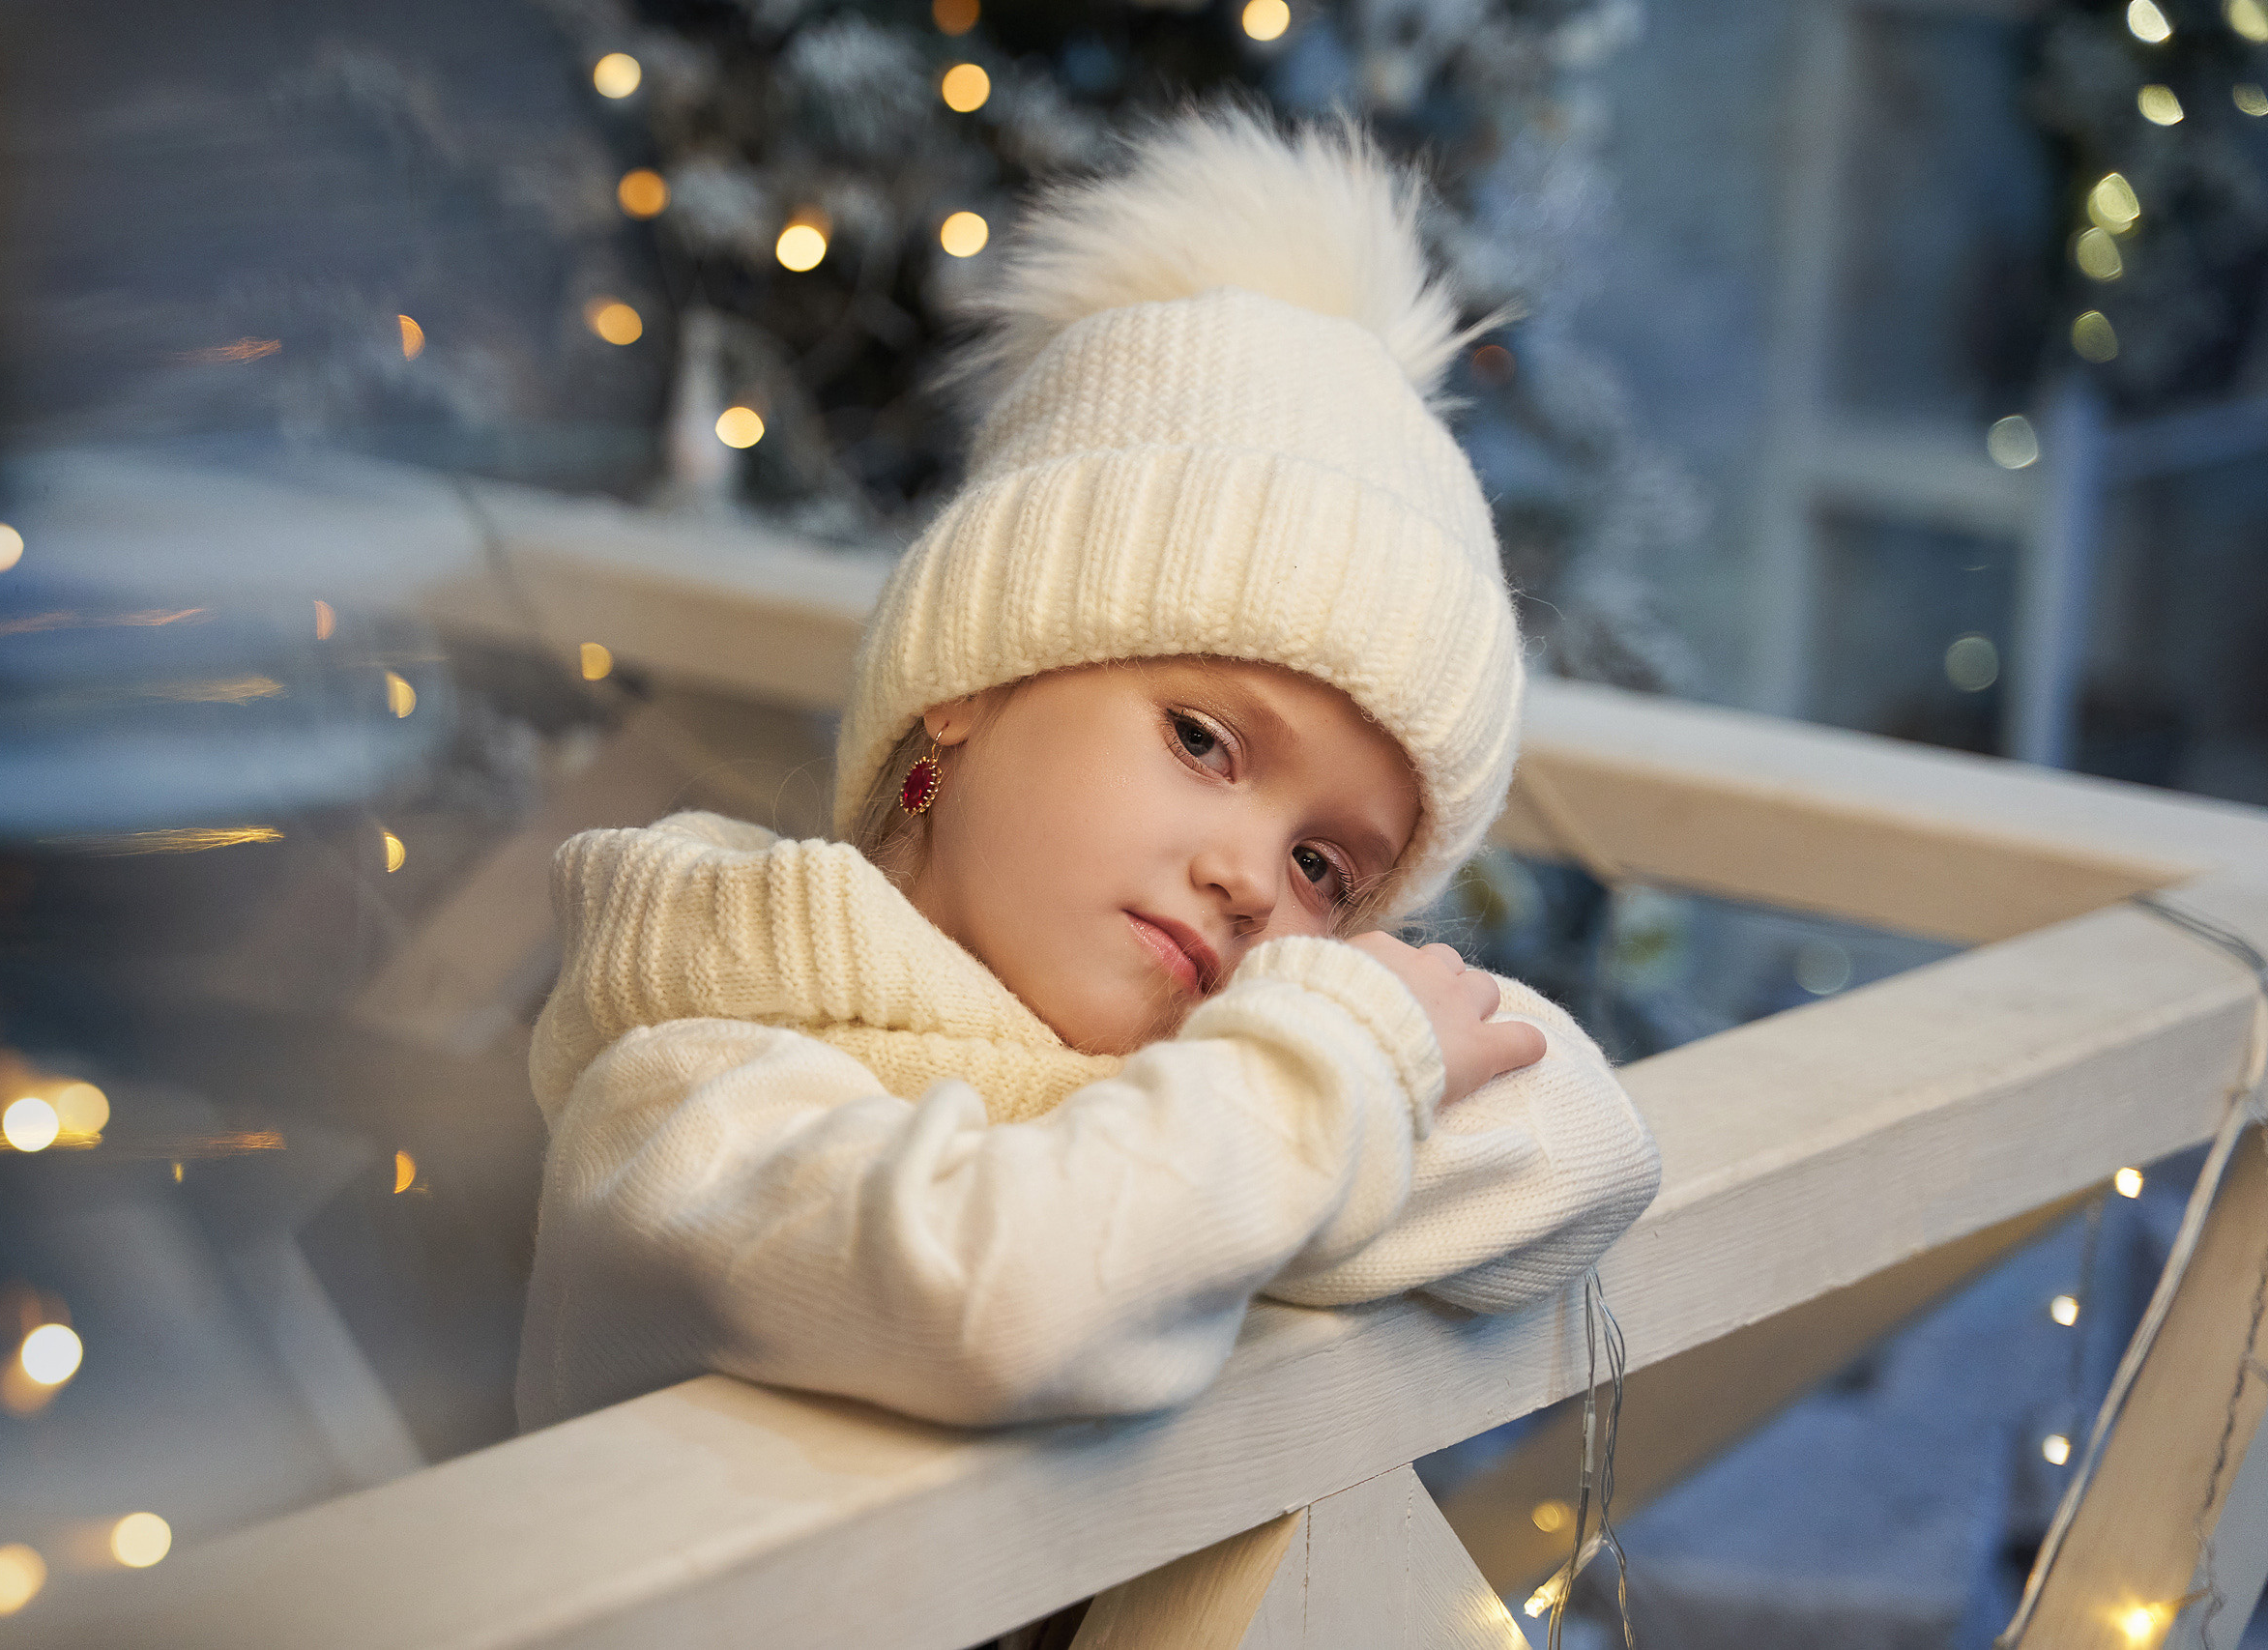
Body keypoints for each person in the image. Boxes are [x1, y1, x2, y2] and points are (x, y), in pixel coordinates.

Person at [515, 109, 1661, 1433]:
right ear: (969, 684)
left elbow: (1578, 1146)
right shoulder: (691, 1086)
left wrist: (1313, 1080)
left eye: (1323, 867)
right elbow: (1001, 1304)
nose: (1247, 880)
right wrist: (1331, 1084)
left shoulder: (1203, 1099)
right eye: (1201, 741)